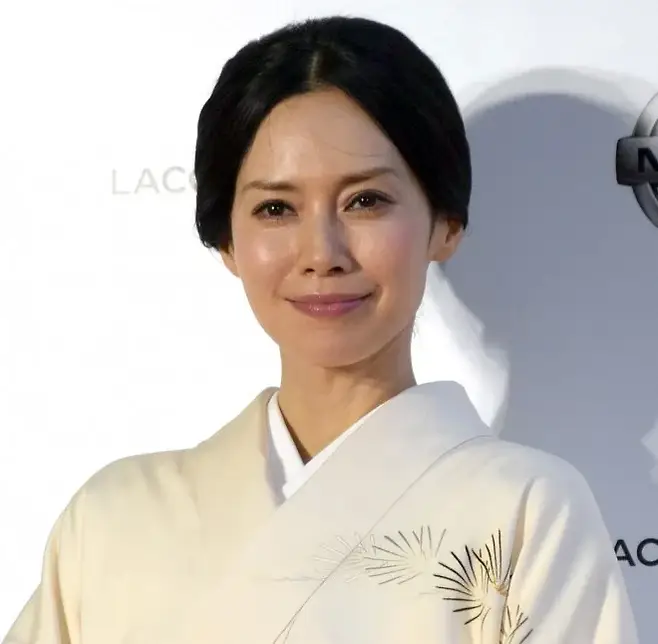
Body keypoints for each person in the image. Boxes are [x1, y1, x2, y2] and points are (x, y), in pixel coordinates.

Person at [3, 15, 637, 644]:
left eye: (365, 201)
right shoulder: (110, 520)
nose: (321, 253)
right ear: (227, 242)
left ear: (445, 222)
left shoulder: (525, 513)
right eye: (276, 208)